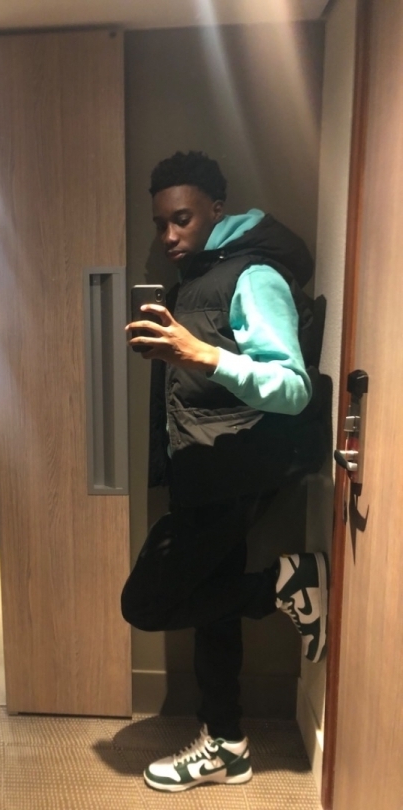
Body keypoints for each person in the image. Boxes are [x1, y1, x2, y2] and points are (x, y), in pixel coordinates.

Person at [122, 150, 329, 792]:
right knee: (213, 616)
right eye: (160, 223)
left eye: (181, 219)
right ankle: (227, 744)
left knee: (146, 603)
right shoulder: (199, 280)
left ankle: (286, 584)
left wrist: (202, 354)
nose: (169, 235)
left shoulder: (253, 275)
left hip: (233, 471)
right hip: (207, 473)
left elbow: (293, 387)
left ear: (217, 209)